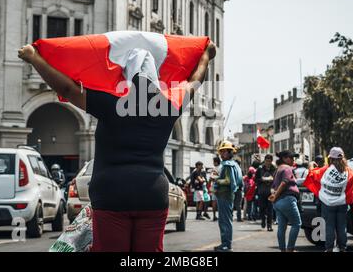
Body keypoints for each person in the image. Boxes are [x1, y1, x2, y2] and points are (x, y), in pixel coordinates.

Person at [18, 34, 216, 252]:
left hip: (111, 194)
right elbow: (195, 81)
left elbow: (67, 89)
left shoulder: (111, 103)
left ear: (127, 75)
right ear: (156, 76)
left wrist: (34, 58)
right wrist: (206, 55)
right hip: (152, 195)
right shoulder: (169, 106)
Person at [304, 147, 353, 252]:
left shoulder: (325, 170)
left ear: (331, 159)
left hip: (327, 204)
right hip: (342, 204)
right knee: (342, 227)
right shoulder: (349, 172)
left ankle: (329, 248)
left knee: (329, 227)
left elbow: (312, 175)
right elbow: (352, 188)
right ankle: (342, 248)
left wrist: (310, 166)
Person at [269, 151, 301, 252]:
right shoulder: (287, 168)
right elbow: (284, 183)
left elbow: (273, 186)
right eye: (291, 158)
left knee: (282, 227)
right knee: (297, 223)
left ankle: (283, 250)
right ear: (284, 158)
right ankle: (290, 249)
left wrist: (274, 196)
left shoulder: (278, 169)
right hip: (287, 199)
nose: (293, 160)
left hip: (279, 203)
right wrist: (275, 196)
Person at [212, 140, 242, 252]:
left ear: (230, 153)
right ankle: (225, 244)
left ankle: (226, 245)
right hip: (226, 195)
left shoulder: (228, 165)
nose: (222, 154)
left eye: (224, 152)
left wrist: (216, 180)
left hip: (225, 195)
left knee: (225, 221)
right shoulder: (234, 164)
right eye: (221, 152)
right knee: (225, 220)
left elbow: (228, 181)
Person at [255, 154, 277, 231]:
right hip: (261, 191)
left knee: (270, 209)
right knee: (262, 208)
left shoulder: (274, 169)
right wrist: (262, 179)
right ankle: (263, 220)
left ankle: (269, 225)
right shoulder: (260, 169)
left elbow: (276, 179)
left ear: (271, 161)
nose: (268, 162)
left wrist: (272, 179)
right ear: (264, 161)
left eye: (269, 161)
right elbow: (256, 180)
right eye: (266, 161)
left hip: (271, 192)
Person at [209, 157, 221, 221]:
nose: (213, 163)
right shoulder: (221, 168)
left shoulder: (213, 169)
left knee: (214, 201)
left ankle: (214, 216)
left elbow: (210, 178)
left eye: (214, 161)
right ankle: (219, 215)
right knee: (219, 201)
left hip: (214, 186)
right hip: (219, 186)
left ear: (216, 162)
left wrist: (210, 185)